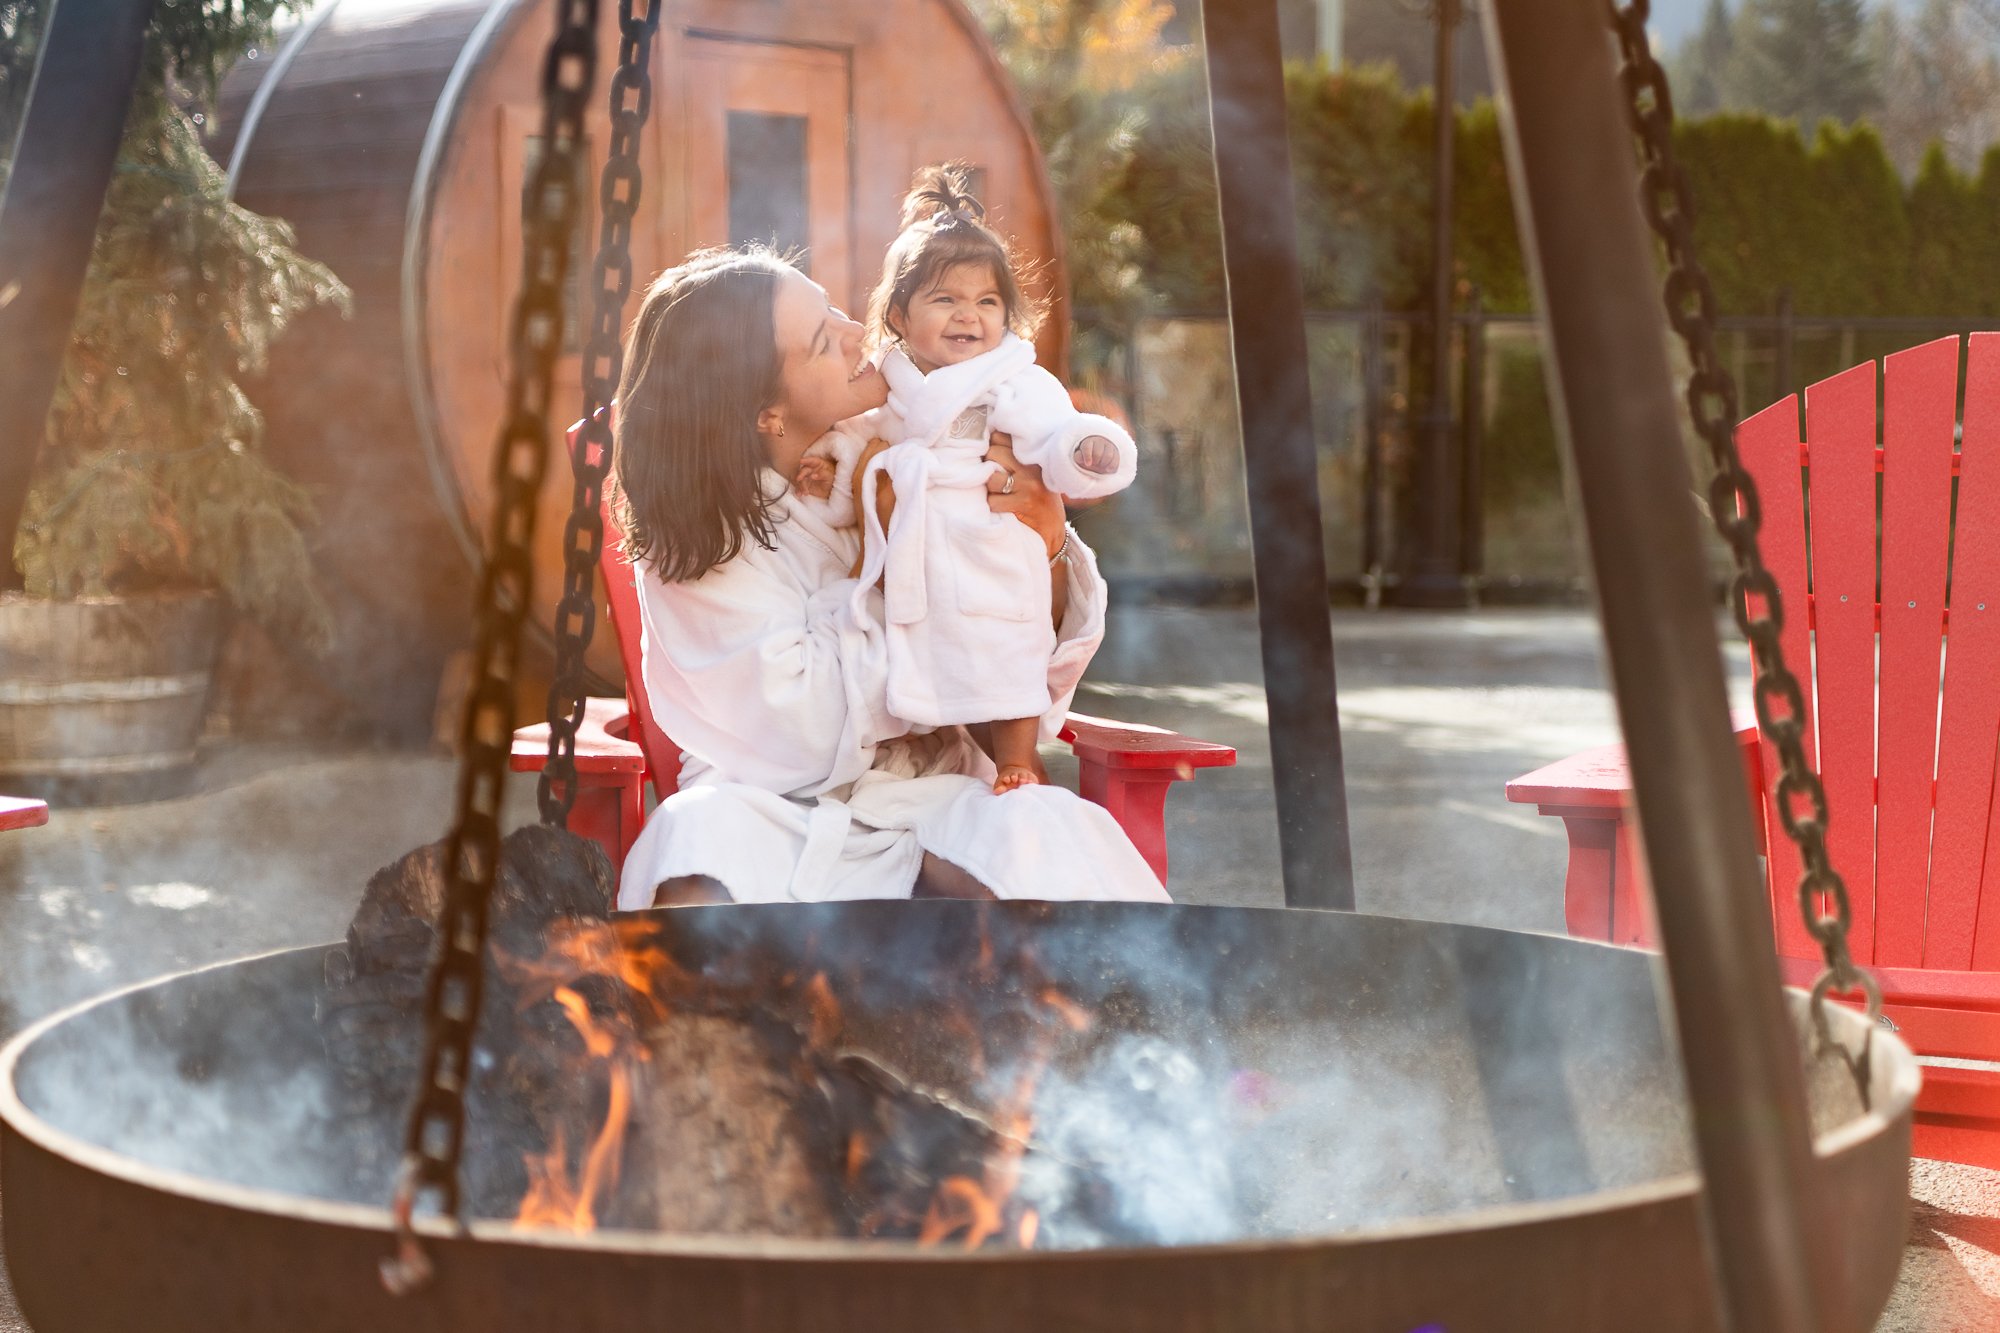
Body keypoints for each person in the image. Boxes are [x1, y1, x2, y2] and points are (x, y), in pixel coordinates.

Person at [610, 246, 1166, 910]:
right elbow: (801, 728)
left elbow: (1012, 646)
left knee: (1037, 836)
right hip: (772, 805)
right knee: (693, 846)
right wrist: (899, 567)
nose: (856, 332)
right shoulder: (701, 539)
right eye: (822, 340)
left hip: (934, 793)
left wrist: (1042, 546)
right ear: (766, 413)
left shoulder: (917, 440)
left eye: (836, 312)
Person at [851, 166, 1139, 793]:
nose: (969, 317)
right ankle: (918, 732)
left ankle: (1017, 759)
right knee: (919, 648)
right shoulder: (888, 381)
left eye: (987, 302)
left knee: (1006, 647)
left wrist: (1085, 448)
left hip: (989, 541)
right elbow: (860, 433)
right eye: (946, 299)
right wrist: (834, 460)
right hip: (917, 546)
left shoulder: (1011, 378)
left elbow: (1052, 432)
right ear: (899, 314)